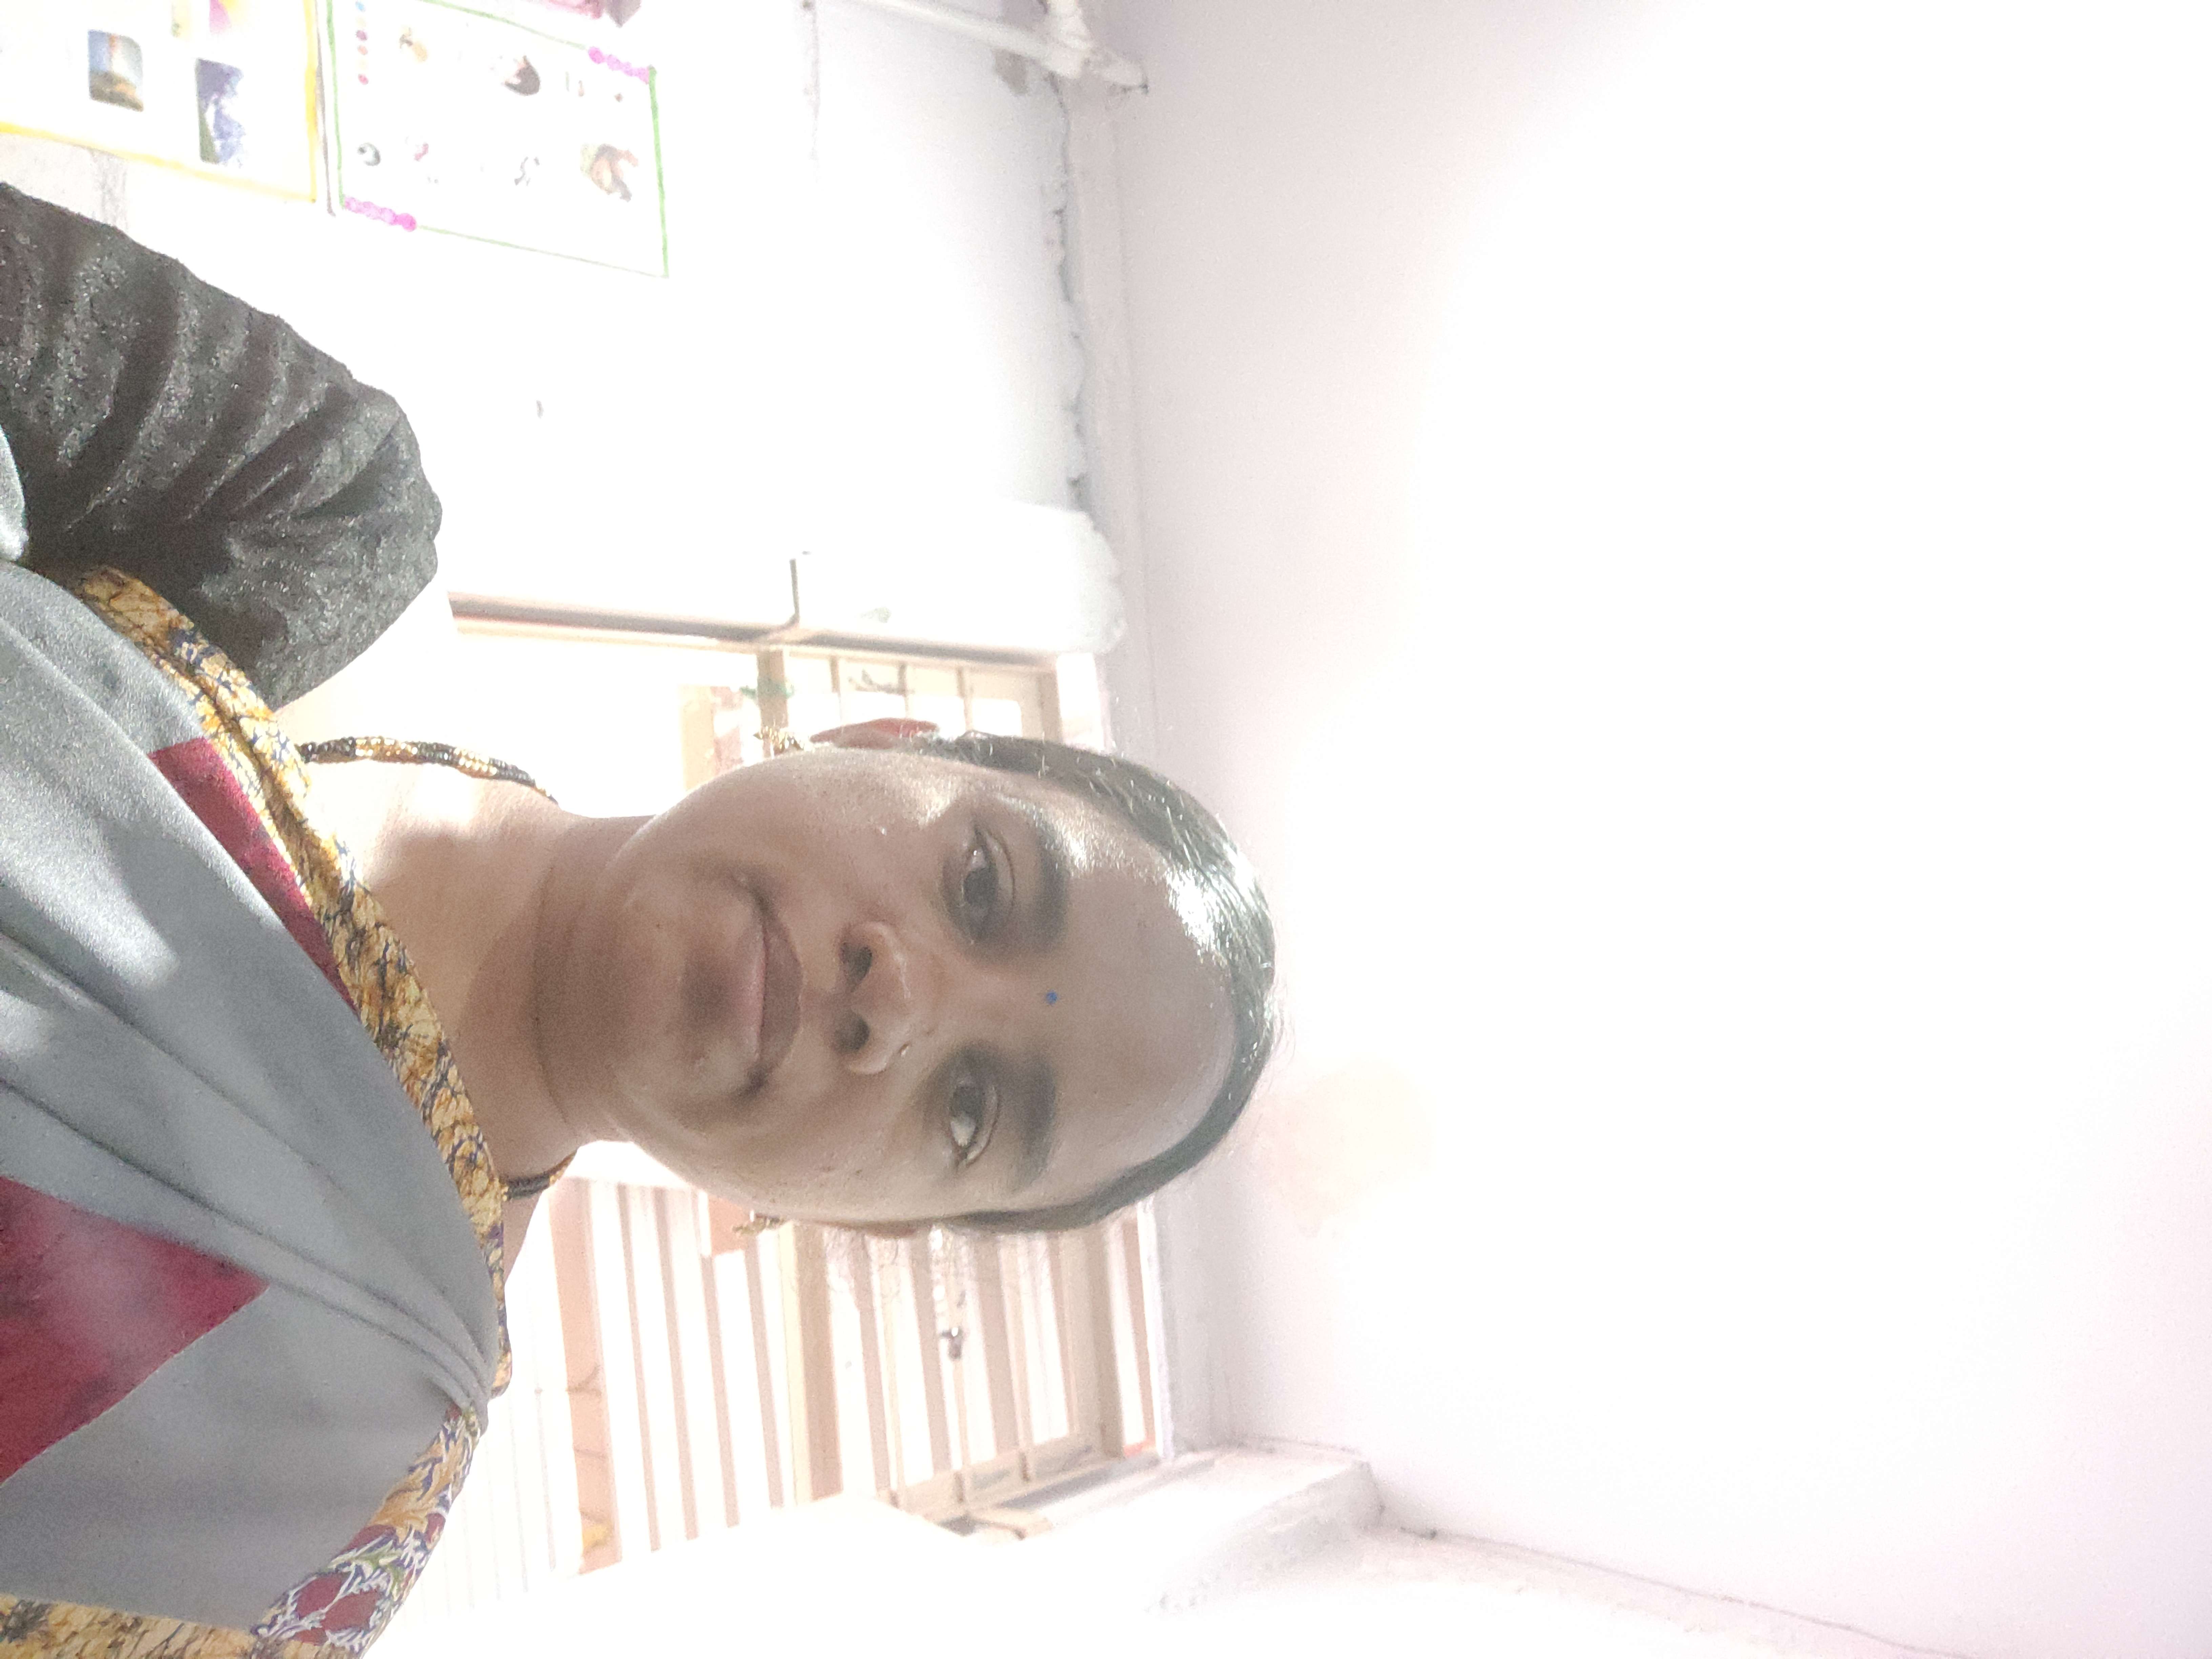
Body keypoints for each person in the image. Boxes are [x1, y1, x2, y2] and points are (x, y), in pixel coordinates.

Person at [0, 183, 1274, 1653]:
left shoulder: (324, 1502)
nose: (901, 1005)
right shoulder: (321, 509)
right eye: (983, 885)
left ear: (857, 1217)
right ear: (873, 739)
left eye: (974, 1107)